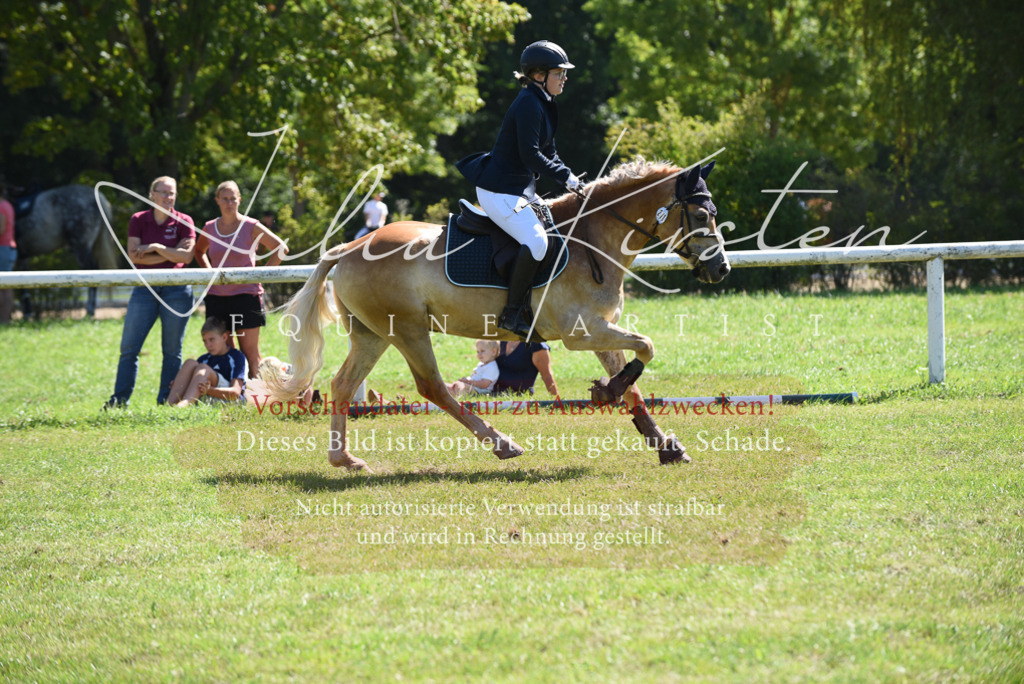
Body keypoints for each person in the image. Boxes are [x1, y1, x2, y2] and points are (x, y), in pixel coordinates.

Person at [456, 40, 582, 340]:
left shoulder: (547, 103)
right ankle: (512, 314)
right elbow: (529, 154)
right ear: (538, 75)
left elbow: (549, 151)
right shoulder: (528, 102)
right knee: (537, 241)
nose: (564, 78)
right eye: (558, 73)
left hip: (519, 188)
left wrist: (573, 178)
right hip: (499, 189)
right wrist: (564, 176)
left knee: (552, 231)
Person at [105, 176, 195, 407]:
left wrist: (155, 248)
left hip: (177, 290)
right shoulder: (138, 219)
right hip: (144, 289)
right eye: (163, 192)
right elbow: (134, 256)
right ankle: (119, 400)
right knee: (129, 348)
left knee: (172, 350)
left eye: (172, 193)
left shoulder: (184, 221)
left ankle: (167, 400)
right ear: (151, 194)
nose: (168, 197)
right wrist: (170, 253)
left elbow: (186, 257)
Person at [195, 181, 288, 378]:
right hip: (217, 298)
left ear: (239, 200)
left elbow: (281, 249)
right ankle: (233, 395)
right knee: (225, 351)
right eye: (225, 199)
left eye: (233, 199)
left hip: (246, 296)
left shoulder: (250, 226)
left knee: (250, 353)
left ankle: (256, 395)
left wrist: (261, 276)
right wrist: (210, 274)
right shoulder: (210, 227)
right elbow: (198, 251)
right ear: (217, 200)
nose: (229, 203)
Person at [167, 317, 246, 406]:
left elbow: (235, 393)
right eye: (205, 341)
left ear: (224, 337)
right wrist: (182, 384)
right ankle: (169, 404)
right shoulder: (204, 358)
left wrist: (209, 390)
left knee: (203, 369)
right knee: (190, 363)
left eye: (212, 339)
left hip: (231, 401)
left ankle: (185, 405)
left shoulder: (236, 357)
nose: (208, 345)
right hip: (207, 399)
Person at [493, 340, 559, 397]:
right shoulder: (501, 340)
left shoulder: (536, 345)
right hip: (492, 395)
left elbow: (547, 376)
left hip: (519, 397)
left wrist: (557, 402)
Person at [0, 184, 16, 323]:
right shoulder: (7, 205)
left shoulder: (1, 206)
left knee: (4, 287)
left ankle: (4, 320)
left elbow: (0, 229)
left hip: (3, 248)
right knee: (6, 286)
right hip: (7, 248)